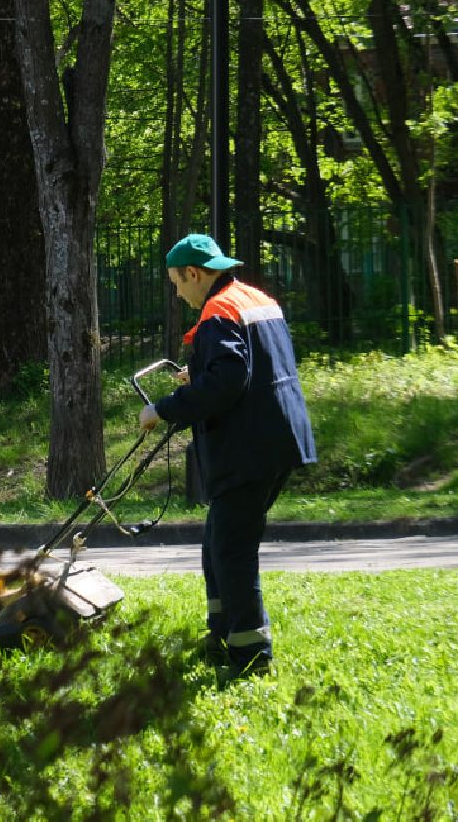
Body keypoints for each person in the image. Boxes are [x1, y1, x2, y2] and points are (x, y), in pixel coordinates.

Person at [140, 233, 316, 679]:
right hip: (279, 439)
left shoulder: (218, 312)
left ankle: (250, 655)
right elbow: (254, 363)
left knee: (232, 551)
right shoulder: (254, 298)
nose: (178, 293)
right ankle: (221, 632)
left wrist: (162, 409)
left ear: (195, 273)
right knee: (217, 541)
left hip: (248, 447)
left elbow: (230, 380)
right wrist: (195, 372)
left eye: (177, 283)